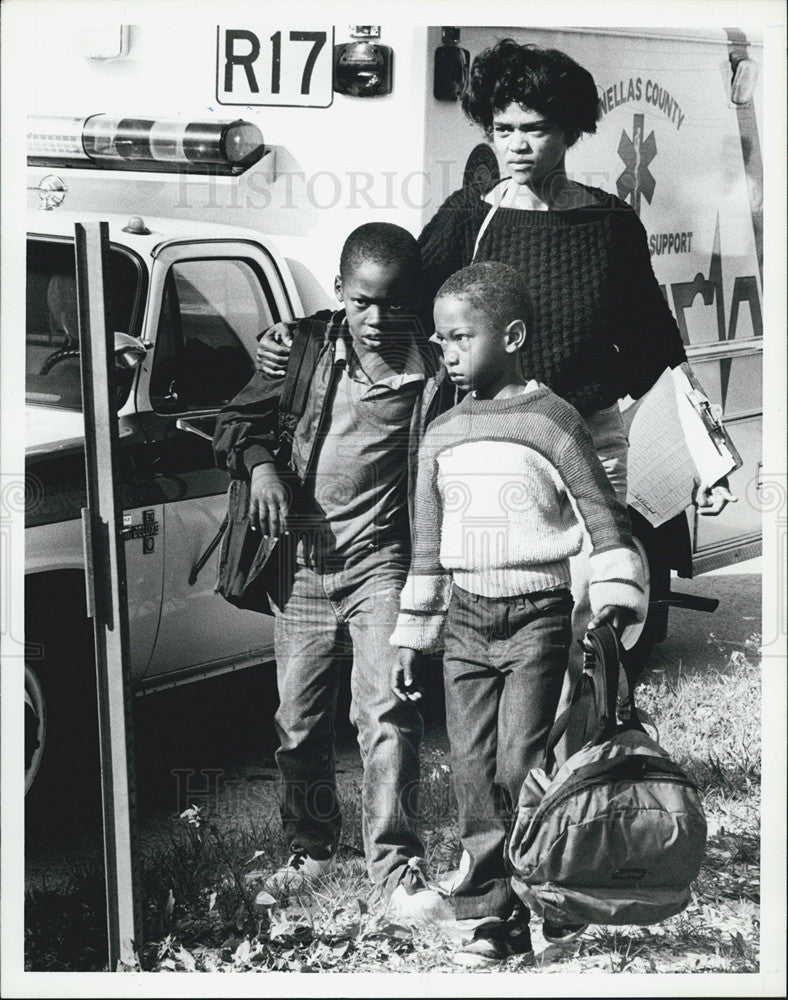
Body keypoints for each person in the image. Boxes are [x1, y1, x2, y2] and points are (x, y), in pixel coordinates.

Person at [258, 39, 734, 751]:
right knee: (500, 625)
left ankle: (576, 789)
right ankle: (515, 791)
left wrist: (687, 449)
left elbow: (656, 347)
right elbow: (395, 305)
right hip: (487, 451)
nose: (515, 144)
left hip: (588, 443)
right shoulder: (468, 218)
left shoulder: (608, 227)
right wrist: (300, 334)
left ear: (570, 131)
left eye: (534, 128)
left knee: (585, 627)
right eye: (503, 128)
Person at [388, 262, 648, 965]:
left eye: (461, 338)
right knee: (471, 769)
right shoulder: (441, 432)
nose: (447, 354)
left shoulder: (551, 419)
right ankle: (491, 914)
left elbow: (601, 512)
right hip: (468, 617)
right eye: (440, 341)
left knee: (517, 766)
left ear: (512, 335)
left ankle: (546, 886)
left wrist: (617, 593)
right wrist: (414, 635)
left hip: (537, 613)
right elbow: (425, 544)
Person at [213, 223, 454, 920]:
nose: (376, 320)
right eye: (362, 302)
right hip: (302, 564)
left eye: (393, 304)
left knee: (387, 712)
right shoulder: (306, 350)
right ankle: (314, 849)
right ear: (341, 290)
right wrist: (260, 468)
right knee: (298, 718)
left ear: (416, 301)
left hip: (381, 565)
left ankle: (397, 871)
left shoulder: (434, 373)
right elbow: (237, 422)